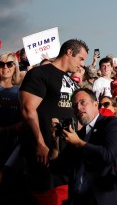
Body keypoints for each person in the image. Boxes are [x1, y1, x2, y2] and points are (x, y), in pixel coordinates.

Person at [18, 38, 88, 198]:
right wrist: (40, 143)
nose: (82, 64)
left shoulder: (71, 81)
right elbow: (28, 109)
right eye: (81, 59)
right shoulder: (40, 73)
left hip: (67, 154)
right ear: (69, 52)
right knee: (44, 196)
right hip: (44, 152)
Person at [59, 88, 117, 205]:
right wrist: (55, 141)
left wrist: (79, 143)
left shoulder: (111, 124)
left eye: (83, 102)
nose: (78, 107)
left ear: (96, 104)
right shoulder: (78, 135)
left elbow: (108, 155)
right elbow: (59, 167)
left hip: (106, 199)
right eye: (75, 105)